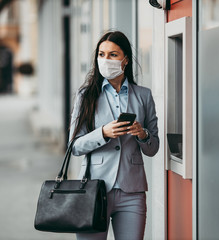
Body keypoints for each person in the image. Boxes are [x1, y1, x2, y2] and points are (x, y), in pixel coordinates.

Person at [68, 31, 159, 240]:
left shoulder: (143, 95)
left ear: (125, 59)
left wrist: (142, 134)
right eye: (101, 54)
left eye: (113, 55)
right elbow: (74, 146)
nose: (105, 60)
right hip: (93, 189)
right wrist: (103, 133)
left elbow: (153, 148)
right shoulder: (86, 96)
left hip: (132, 192)